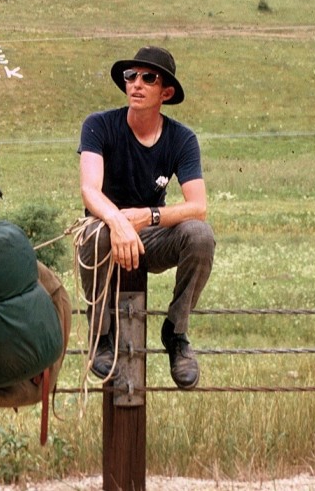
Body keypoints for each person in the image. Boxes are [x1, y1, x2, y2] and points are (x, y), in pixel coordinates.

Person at [76, 45, 214, 390]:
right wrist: (118, 221)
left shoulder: (182, 139)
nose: (136, 84)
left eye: (148, 78)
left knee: (200, 235)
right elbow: (90, 190)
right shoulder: (98, 125)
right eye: (130, 76)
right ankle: (100, 335)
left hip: (149, 235)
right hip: (103, 231)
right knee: (96, 234)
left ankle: (176, 333)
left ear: (165, 92)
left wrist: (147, 216)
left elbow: (198, 206)